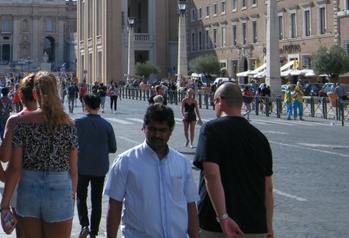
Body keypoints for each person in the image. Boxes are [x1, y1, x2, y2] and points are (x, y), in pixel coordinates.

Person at [0, 71, 78, 238]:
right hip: (59, 188)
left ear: (35, 94)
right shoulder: (69, 126)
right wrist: (71, 197)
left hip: (28, 188)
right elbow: (73, 171)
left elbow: (14, 168)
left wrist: (5, 204)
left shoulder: (22, 124)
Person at [105, 104, 199, 238]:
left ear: (171, 130)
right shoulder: (125, 162)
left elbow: (190, 205)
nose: (157, 135)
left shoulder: (182, 163)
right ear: (144, 127)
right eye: (152, 129)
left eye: (162, 130)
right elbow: (114, 206)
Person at [193, 83, 274, 238]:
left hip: (217, 225)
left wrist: (223, 217)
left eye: (213, 102)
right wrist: (268, 226)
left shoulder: (211, 129)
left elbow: (211, 175)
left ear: (220, 101)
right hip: (254, 226)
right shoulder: (260, 138)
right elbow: (268, 188)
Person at [0, 74, 40, 238]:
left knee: (23, 232)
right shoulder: (55, 119)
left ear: (20, 96)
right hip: (48, 183)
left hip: (22, 183)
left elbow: (5, 157)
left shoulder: (15, 120)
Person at [75, 93, 117, 238]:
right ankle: (94, 232)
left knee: (81, 196)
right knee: (96, 200)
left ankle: (84, 224)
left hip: (82, 166)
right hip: (100, 167)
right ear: (99, 106)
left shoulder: (78, 123)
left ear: (85, 106)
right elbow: (113, 148)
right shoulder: (106, 125)